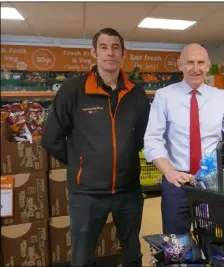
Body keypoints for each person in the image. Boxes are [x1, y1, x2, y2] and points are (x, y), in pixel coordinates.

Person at [42, 28, 150, 267]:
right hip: (86, 195)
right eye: (103, 47)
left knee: (132, 253)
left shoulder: (136, 93)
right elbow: (51, 138)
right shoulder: (73, 90)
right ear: (93, 52)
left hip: (128, 192)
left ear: (123, 53)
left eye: (115, 47)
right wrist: (82, 164)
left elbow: (146, 137)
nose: (110, 53)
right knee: (82, 257)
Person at [143, 43, 224, 235]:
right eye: (190, 62)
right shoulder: (164, 96)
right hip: (176, 183)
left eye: (200, 63)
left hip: (211, 182)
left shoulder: (219, 96)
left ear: (208, 66)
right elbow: (153, 139)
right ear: (179, 65)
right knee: (176, 245)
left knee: (213, 240)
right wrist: (170, 172)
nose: (195, 68)